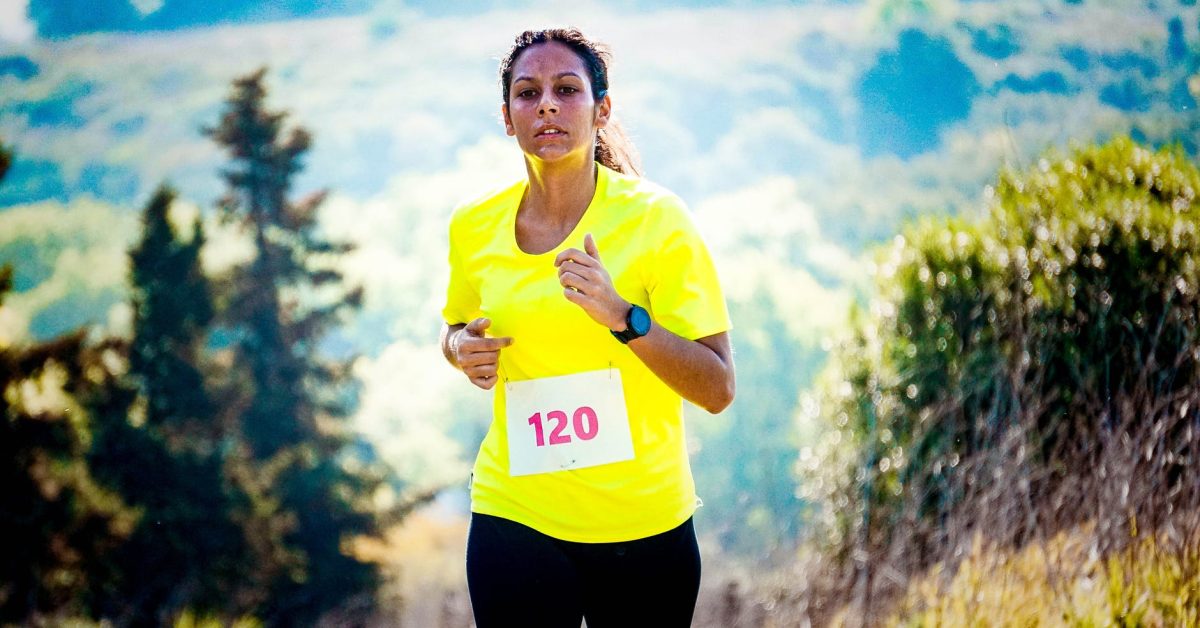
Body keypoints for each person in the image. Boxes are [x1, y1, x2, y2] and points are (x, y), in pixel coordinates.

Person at [439, 27, 735, 627]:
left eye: (566, 89)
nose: (546, 104)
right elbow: (455, 328)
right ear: (506, 117)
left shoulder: (658, 220)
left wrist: (623, 317)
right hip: (514, 509)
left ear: (602, 110)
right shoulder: (474, 226)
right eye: (527, 93)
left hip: (643, 525)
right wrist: (459, 348)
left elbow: (717, 388)